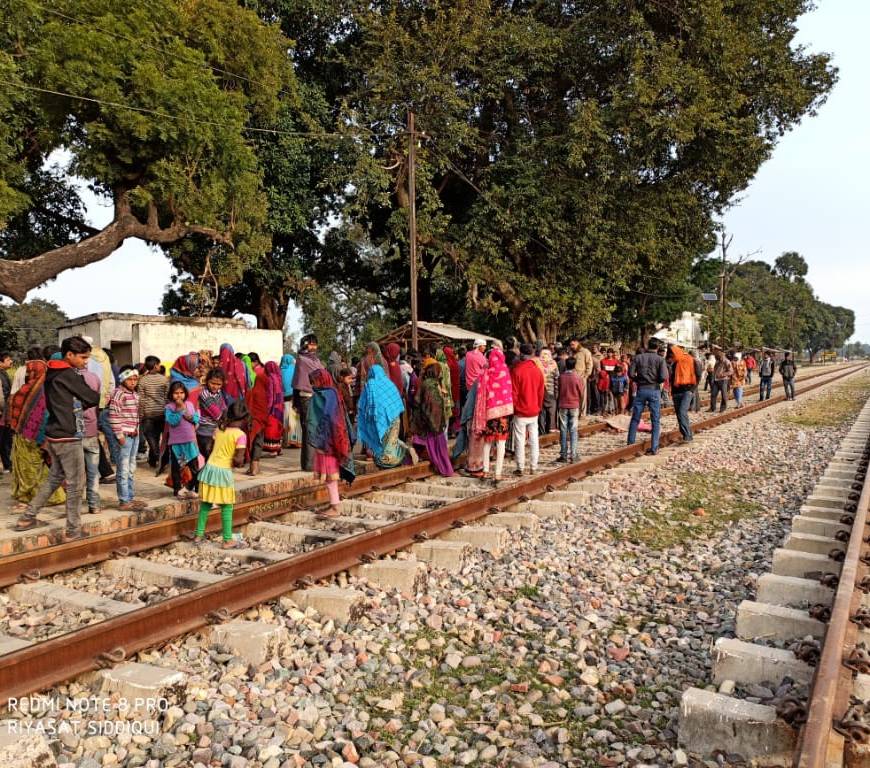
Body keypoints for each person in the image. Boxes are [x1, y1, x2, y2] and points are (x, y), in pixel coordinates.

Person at [15, 336, 102, 538]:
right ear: (69, 355)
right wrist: (77, 401)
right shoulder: (68, 374)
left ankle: (27, 517)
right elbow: (93, 398)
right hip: (68, 435)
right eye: (83, 357)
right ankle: (73, 530)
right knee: (76, 485)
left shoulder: (50, 371)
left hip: (54, 433)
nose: (86, 362)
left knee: (54, 478)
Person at [6, 355, 66, 509]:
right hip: (31, 435)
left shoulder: (31, 390)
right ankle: (39, 495)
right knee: (35, 467)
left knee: (30, 468)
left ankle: (36, 496)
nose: (27, 374)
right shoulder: (47, 388)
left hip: (29, 437)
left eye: (29, 372)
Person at [194, 400, 248, 548]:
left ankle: (198, 535)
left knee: (206, 504)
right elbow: (239, 460)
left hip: (209, 469)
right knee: (227, 506)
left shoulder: (219, 429)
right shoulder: (241, 435)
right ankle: (227, 540)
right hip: (223, 471)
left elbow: (209, 448)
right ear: (244, 418)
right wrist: (237, 462)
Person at [307, 369, 355, 516]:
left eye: (314, 382)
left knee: (329, 475)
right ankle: (333, 504)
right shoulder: (334, 393)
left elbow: (315, 420)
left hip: (325, 443)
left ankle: (335, 506)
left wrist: (317, 438)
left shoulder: (319, 397)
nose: (312, 385)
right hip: (336, 439)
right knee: (331, 474)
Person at [469, 347, 513, 482]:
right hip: (503, 414)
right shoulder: (505, 371)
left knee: (488, 442)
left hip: (489, 414)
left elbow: (481, 392)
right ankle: (498, 473)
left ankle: (486, 470)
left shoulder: (486, 373)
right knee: (501, 443)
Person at [357, 363, 412, 469]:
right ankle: (402, 451)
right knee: (391, 440)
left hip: (378, 417)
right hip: (394, 416)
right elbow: (397, 400)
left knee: (380, 441)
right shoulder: (389, 383)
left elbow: (365, 403)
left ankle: (388, 460)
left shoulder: (371, 384)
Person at [110, 367, 147, 511]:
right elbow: (114, 415)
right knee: (123, 469)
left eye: (135, 379)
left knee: (131, 468)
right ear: (122, 379)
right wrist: (119, 436)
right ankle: (124, 500)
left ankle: (130, 497)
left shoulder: (134, 394)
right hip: (125, 436)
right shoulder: (118, 394)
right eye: (129, 379)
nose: (132, 382)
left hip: (134, 435)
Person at [410, 362, 455, 477]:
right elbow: (432, 406)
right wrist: (436, 423)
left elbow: (418, 401)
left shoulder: (427, 383)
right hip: (432, 423)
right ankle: (445, 469)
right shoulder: (431, 386)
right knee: (440, 448)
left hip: (426, 421)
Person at [627, 338, 668, 455]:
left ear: (647, 346)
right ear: (657, 347)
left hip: (641, 389)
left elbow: (630, 373)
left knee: (635, 417)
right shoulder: (660, 359)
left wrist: (638, 380)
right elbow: (664, 376)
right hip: (654, 390)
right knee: (655, 419)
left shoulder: (638, 358)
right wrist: (656, 381)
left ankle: (630, 444)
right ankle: (654, 447)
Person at [291, 335, 325, 472]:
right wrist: (296, 403)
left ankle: (310, 462)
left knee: (312, 429)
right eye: (311, 344)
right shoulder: (302, 359)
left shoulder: (316, 360)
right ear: (305, 344)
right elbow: (298, 382)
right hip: (306, 397)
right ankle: (309, 463)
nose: (313, 347)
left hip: (317, 396)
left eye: (315, 344)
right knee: (309, 429)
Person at [510, 343, 545, 475]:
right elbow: (541, 392)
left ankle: (520, 467)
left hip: (520, 411)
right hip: (534, 410)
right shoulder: (537, 371)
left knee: (520, 440)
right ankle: (533, 466)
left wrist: (513, 409)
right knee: (534, 439)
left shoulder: (516, 370)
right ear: (532, 354)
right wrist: (538, 406)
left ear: (521, 353)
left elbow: (514, 393)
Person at [165, 381, 201, 499]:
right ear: (171, 394)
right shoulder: (169, 407)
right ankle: (177, 489)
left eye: (181, 393)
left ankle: (194, 488)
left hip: (190, 441)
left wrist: (192, 417)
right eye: (176, 393)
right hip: (176, 444)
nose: (179, 395)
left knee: (194, 467)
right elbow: (172, 421)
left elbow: (195, 417)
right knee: (177, 467)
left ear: (185, 393)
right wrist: (180, 410)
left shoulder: (189, 404)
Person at [138, 355, 168, 468]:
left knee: (152, 438)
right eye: (159, 365)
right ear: (155, 366)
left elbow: (141, 400)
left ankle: (152, 459)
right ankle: (158, 457)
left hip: (148, 414)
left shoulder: (142, 380)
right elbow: (167, 397)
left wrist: (141, 415)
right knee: (159, 439)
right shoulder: (164, 380)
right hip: (162, 414)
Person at [668, 344, 697, 443]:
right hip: (676, 392)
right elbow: (672, 378)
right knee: (679, 414)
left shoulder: (690, 360)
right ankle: (686, 435)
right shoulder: (673, 364)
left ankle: (688, 436)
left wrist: (692, 389)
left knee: (682, 412)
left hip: (687, 391)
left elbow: (697, 374)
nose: (671, 356)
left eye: (672, 354)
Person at [557, 356, 582, 462]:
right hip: (574, 405)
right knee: (573, 430)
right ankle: (573, 454)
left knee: (563, 430)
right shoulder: (577, 377)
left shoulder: (561, 377)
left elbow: (558, 390)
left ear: (566, 365)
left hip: (563, 405)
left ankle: (563, 454)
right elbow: (581, 392)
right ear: (574, 365)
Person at [262, 361, 285, 456]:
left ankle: (272, 450)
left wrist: (267, 409)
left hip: (273, 408)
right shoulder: (279, 377)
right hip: (279, 407)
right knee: (277, 428)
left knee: (271, 428)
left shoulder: (270, 379)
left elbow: (270, 395)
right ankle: (277, 447)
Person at [568, 338, 594, 416]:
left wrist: (586, 375)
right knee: (573, 396)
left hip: (581, 378)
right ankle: (575, 413)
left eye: (573, 344)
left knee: (582, 396)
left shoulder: (585, 352)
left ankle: (582, 414)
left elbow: (589, 364)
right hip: (572, 378)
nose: (571, 346)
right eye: (570, 345)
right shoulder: (571, 353)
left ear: (577, 343)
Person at [280, 353, 301, 448]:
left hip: (283, 400)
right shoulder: (294, 370)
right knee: (294, 419)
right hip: (294, 398)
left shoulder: (279, 371)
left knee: (285, 419)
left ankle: (286, 441)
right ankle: (295, 440)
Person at [538, 349, 560, 433]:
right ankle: (550, 430)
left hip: (541, 392)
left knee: (541, 413)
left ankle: (542, 431)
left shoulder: (538, 364)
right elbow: (557, 379)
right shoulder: (553, 364)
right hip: (551, 392)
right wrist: (556, 393)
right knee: (551, 413)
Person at [0, 351, 13, 473]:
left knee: (6, 439)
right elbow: (2, 396)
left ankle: (7, 464)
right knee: (3, 439)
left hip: (5, 412)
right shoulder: (1, 375)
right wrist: (5, 410)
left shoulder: (4, 373)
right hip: (2, 412)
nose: (11, 362)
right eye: (8, 360)